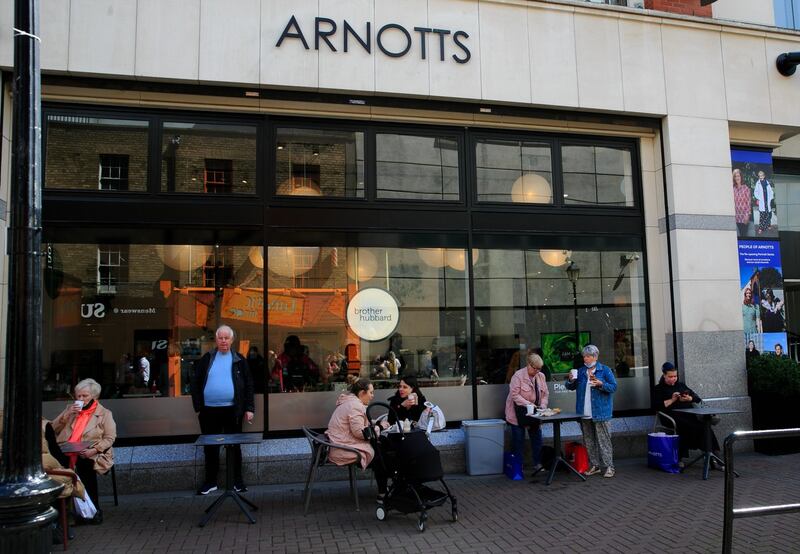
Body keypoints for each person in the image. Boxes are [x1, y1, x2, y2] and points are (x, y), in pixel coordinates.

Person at [190, 325, 254, 495]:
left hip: (233, 410)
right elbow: (195, 383)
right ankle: (211, 482)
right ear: (216, 340)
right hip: (209, 411)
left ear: (232, 340)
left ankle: (237, 481)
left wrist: (249, 408)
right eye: (220, 338)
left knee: (234, 446)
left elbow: (248, 385)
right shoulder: (207, 358)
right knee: (210, 447)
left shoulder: (239, 359)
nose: (224, 341)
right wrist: (198, 407)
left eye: (227, 338)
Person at [51, 378, 116, 524]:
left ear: (94, 396)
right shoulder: (70, 410)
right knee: (58, 470)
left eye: (84, 396)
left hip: (92, 453)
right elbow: (52, 430)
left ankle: (92, 511)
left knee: (84, 465)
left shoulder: (105, 414)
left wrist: (93, 450)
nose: (80, 399)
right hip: (66, 450)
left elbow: (110, 438)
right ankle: (64, 513)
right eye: (78, 396)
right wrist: (66, 415)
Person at [325, 378, 388, 504]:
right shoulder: (355, 406)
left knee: (382, 450)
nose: (372, 396)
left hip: (340, 444)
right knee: (382, 457)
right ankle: (383, 494)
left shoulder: (349, 402)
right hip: (344, 449)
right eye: (371, 392)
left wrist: (376, 423)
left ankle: (385, 490)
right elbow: (361, 433)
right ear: (361, 393)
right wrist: (380, 427)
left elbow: (358, 423)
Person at [653, 362, 720, 467]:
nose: (673, 379)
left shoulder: (681, 385)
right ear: (664, 375)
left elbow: (696, 398)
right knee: (687, 426)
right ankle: (682, 456)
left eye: (675, 376)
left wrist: (690, 398)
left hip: (688, 414)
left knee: (705, 426)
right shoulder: (658, 389)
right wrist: (673, 399)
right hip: (671, 416)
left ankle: (713, 454)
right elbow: (657, 406)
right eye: (670, 377)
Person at [565, 345, 617, 478]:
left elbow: (613, 387)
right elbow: (570, 387)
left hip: (601, 412)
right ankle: (595, 465)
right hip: (584, 412)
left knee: (604, 440)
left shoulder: (604, 370)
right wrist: (570, 379)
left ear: (595, 356)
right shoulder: (581, 371)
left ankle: (609, 467)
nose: (585, 358)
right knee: (589, 440)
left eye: (588, 356)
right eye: (584, 356)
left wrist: (601, 384)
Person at [505, 352, 549, 475]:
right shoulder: (517, 376)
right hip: (516, 413)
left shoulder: (541, 376)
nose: (537, 371)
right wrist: (529, 404)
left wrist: (543, 406)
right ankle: (518, 467)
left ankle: (538, 463)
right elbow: (515, 395)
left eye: (540, 369)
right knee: (518, 441)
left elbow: (545, 394)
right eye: (535, 368)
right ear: (529, 365)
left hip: (535, 413)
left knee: (537, 439)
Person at [753, 170, 775, 235]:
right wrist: (759, 198)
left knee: (768, 214)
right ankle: (760, 228)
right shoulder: (758, 183)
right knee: (762, 216)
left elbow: (771, 191)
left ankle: (768, 225)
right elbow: (755, 192)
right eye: (759, 176)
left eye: (762, 175)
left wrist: (770, 198)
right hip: (762, 201)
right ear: (759, 177)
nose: (761, 177)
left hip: (767, 201)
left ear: (764, 176)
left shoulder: (767, 182)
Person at [732, 168, 752, 236]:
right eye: (735, 176)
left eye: (738, 176)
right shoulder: (732, 189)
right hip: (736, 217)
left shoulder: (746, 188)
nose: (737, 178)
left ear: (741, 177)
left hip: (744, 218)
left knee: (744, 236)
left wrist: (747, 216)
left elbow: (748, 203)